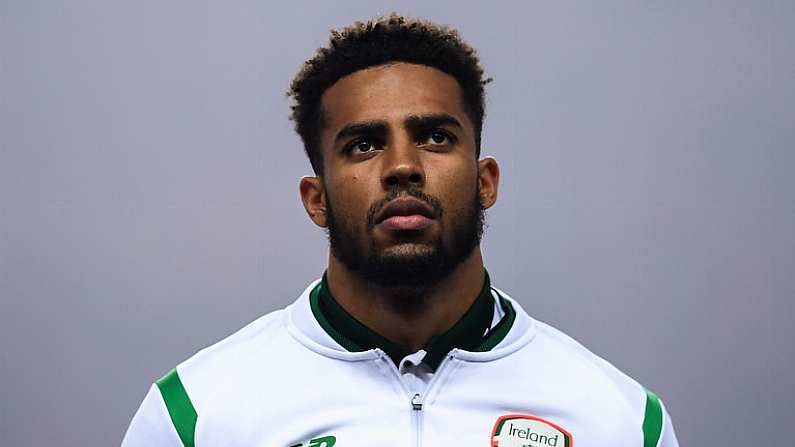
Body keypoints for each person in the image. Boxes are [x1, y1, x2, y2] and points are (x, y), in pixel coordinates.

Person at [121, 14, 679, 447]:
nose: (402, 166)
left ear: (485, 181)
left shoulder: (618, 418)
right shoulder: (197, 414)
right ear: (316, 200)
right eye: (363, 144)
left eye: (436, 136)